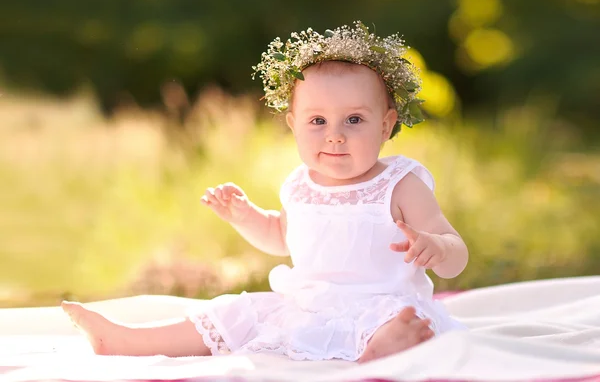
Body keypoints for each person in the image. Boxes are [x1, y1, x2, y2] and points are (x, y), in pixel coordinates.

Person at [62, 21, 469, 363]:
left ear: (386, 125)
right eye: (318, 121)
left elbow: (454, 251)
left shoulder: (399, 183)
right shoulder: (299, 185)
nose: (335, 136)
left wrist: (437, 246)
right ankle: (128, 341)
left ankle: (377, 356)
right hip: (307, 306)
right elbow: (280, 237)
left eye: (355, 120)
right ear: (293, 124)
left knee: (403, 325)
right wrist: (245, 216)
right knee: (239, 312)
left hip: (382, 305)